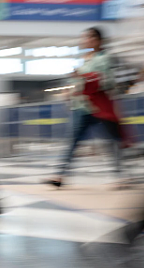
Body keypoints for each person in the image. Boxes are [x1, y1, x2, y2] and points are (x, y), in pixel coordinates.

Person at [45, 28, 125, 188]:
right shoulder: (85, 59)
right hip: (81, 106)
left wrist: (85, 78)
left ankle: (121, 176)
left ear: (97, 40)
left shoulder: (105, 58)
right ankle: (60, 175)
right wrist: (72, 91)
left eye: (87, 37)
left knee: (111, 141)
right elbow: (83, 82)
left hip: (99, 107)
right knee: (72, 141)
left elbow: (108, 82)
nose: (84, 40)